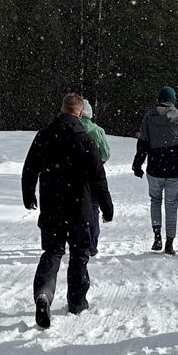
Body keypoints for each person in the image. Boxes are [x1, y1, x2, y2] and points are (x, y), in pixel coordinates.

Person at [22, 92, 114, 328]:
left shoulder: (44, 135)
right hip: (78, 207)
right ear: (80, 113)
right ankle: (76, 301)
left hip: (52, 206)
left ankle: (44, 294)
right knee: (79, 255)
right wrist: (106, 206)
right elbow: (98, 177)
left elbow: (30, 168)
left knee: (52, 252)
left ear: (62, 109)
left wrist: (29, 195)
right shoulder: (84, 138)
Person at [134, 85, 178, 254]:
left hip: (155, 168)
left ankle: (157, 235)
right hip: (174, 168)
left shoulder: (149, 117)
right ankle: (170, 242)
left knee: (155, 201)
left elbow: (143, 143)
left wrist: (137, 164)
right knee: (171, 205)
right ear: (173, 100)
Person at [80, 99, 112, 256]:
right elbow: (106, 154)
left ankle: (80, 239)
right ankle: (92, 242)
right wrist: (99, 163)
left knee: (77, 209)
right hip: (94, 176)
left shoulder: (73, 128)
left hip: (75, 176)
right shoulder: (97, 131)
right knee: (93, 208)